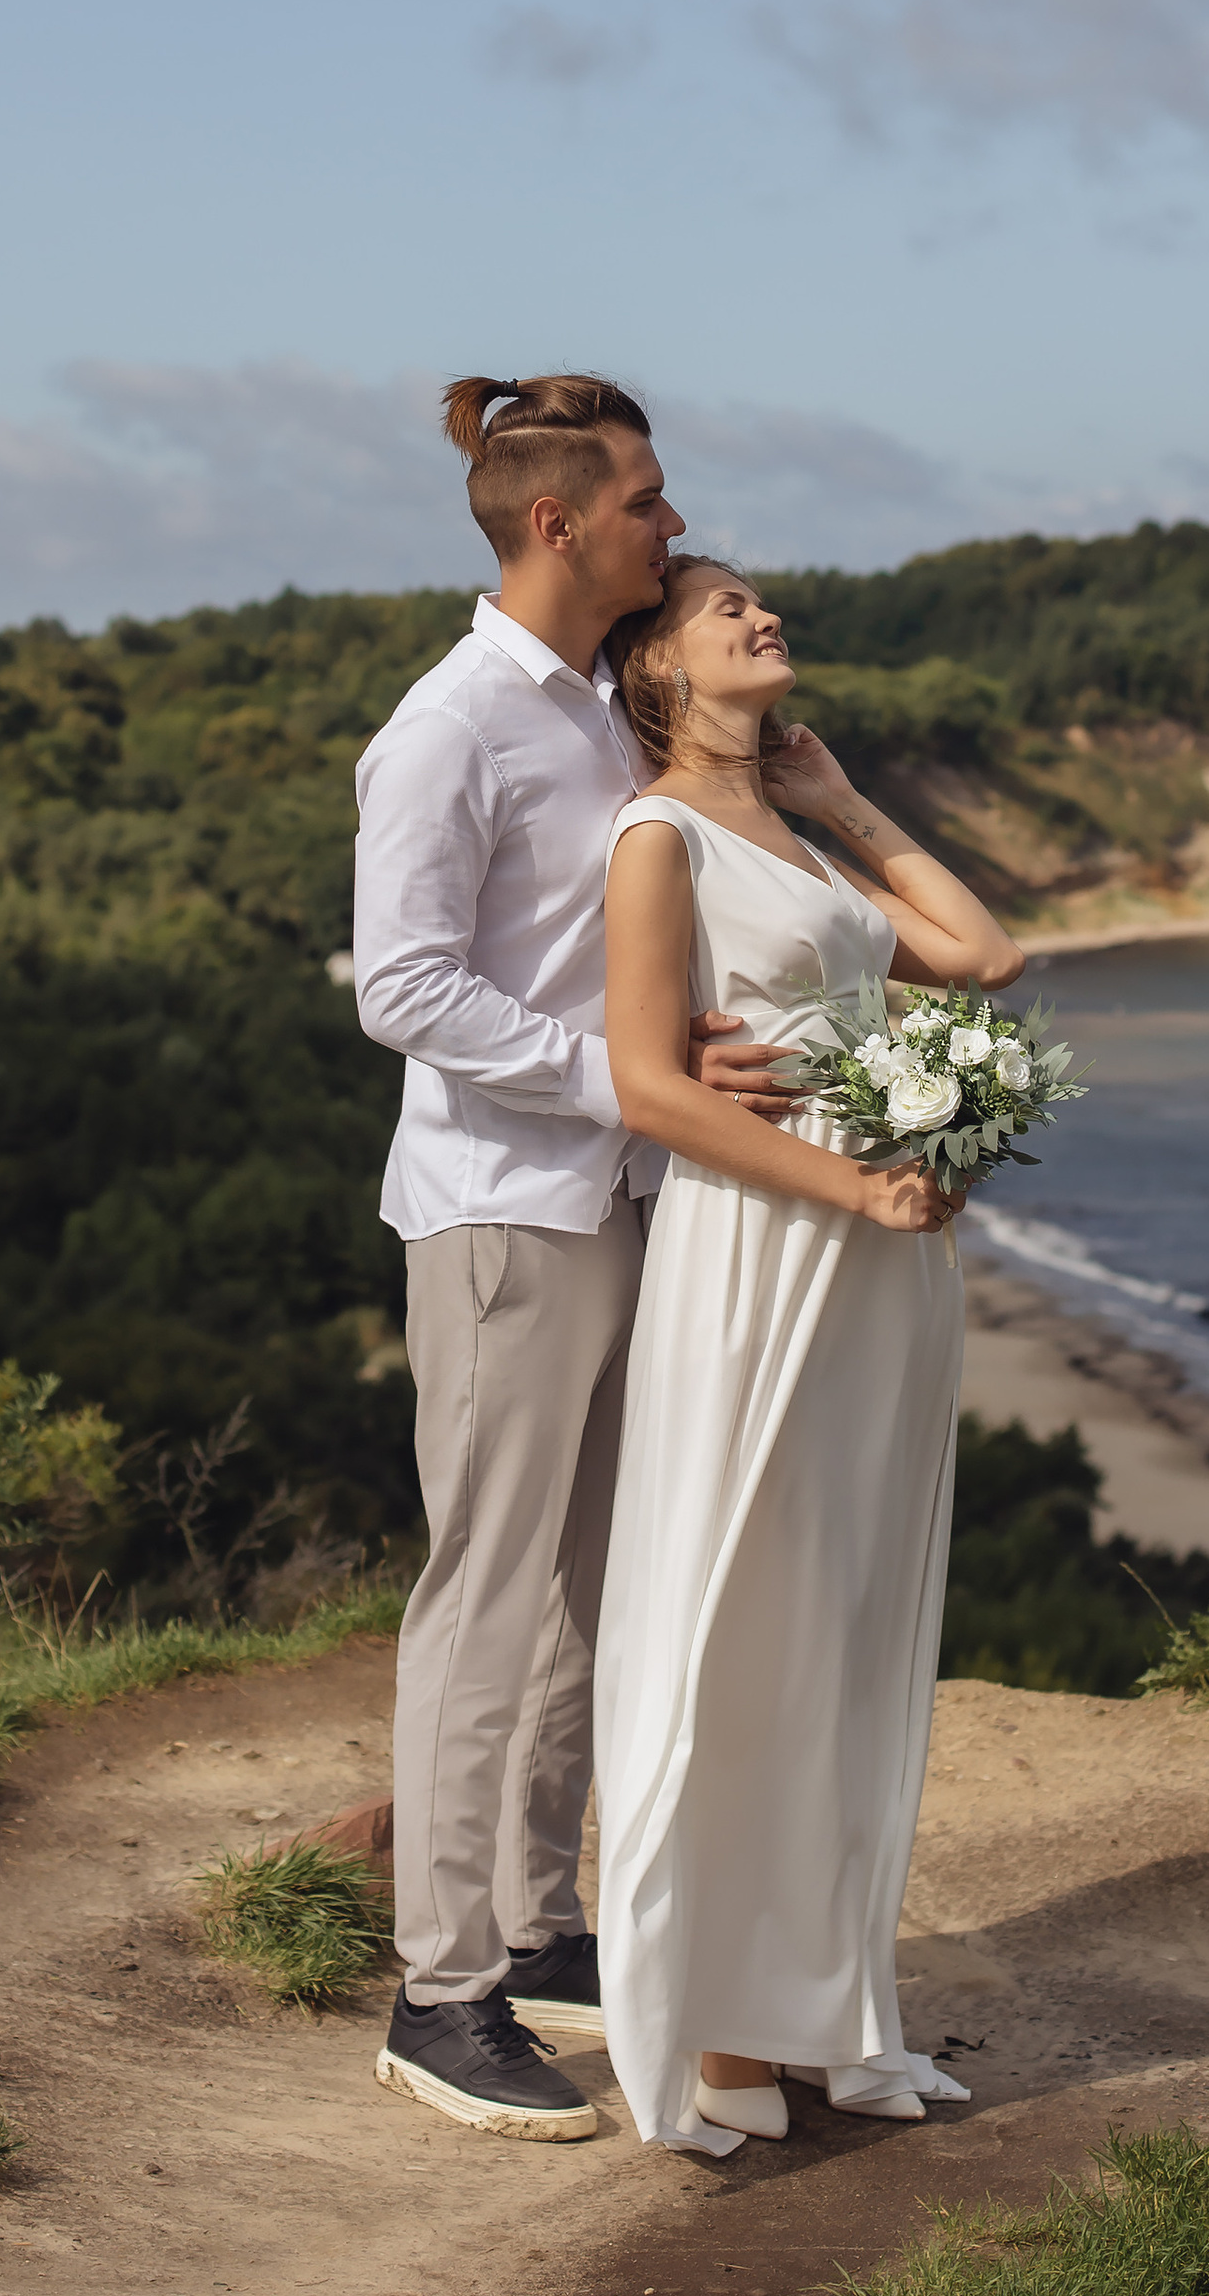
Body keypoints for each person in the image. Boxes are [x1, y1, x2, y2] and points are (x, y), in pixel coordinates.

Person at [354, 379, 786, 2142]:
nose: (671, 533)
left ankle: (536, 1934)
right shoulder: (450, 726)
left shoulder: (607, 722)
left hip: (622, 1202)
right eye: (648, 507)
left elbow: (594, 959)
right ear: (558, 523)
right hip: (502, 1216)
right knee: (483, 1594)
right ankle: (436, 1988)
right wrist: (625, 1074)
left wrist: (681, 1048)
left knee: (586, 1597)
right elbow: (405, 988)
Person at [592, 555, 1027, 2154]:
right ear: (659, 671)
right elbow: (653, 1087)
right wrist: (860, 1184)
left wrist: (847, 803)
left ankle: (830, 2007)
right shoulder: (659, 838)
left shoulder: (793, 840)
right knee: (741, 1613)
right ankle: (714, 2025)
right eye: (729, 612)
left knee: (848, 1620)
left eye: (764, 605)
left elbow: (983, 959)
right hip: (765, 1254)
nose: (764, 619)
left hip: (882, 1271)